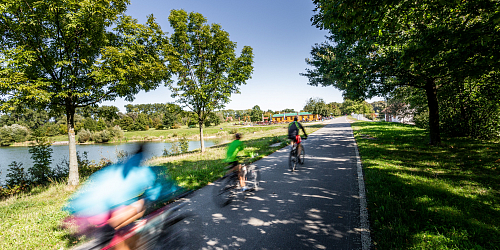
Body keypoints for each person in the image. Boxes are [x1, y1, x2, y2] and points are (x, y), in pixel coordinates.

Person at [63, 144, 181, 249]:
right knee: (140, 206)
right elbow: (159, 191)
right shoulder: (143, 172)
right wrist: (177, 191)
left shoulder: (114, 168)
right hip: (108, 217)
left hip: (84, 211)